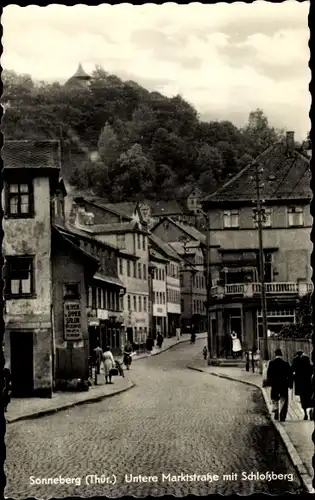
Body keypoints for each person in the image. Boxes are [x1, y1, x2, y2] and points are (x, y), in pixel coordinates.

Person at [266, 348, 293, 422]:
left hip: (275, 384)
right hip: (283, 384)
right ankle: (282, 415)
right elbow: (290, 375)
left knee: (274, 398)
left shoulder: (271, 363)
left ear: (275, 354)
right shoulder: (286, 363)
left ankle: (276, 411)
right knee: (284, 399)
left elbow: (269, 374)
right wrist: (290, 384)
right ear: (281, 355)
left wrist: (269, 383)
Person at [291, 350, 313, 420]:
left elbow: (292, 370)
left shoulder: (298, 365)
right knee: (310, 399)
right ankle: (311, 411)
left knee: (303, 400)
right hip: (309, 386)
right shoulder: (310, 367)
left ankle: (305, 413)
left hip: (301, 386)